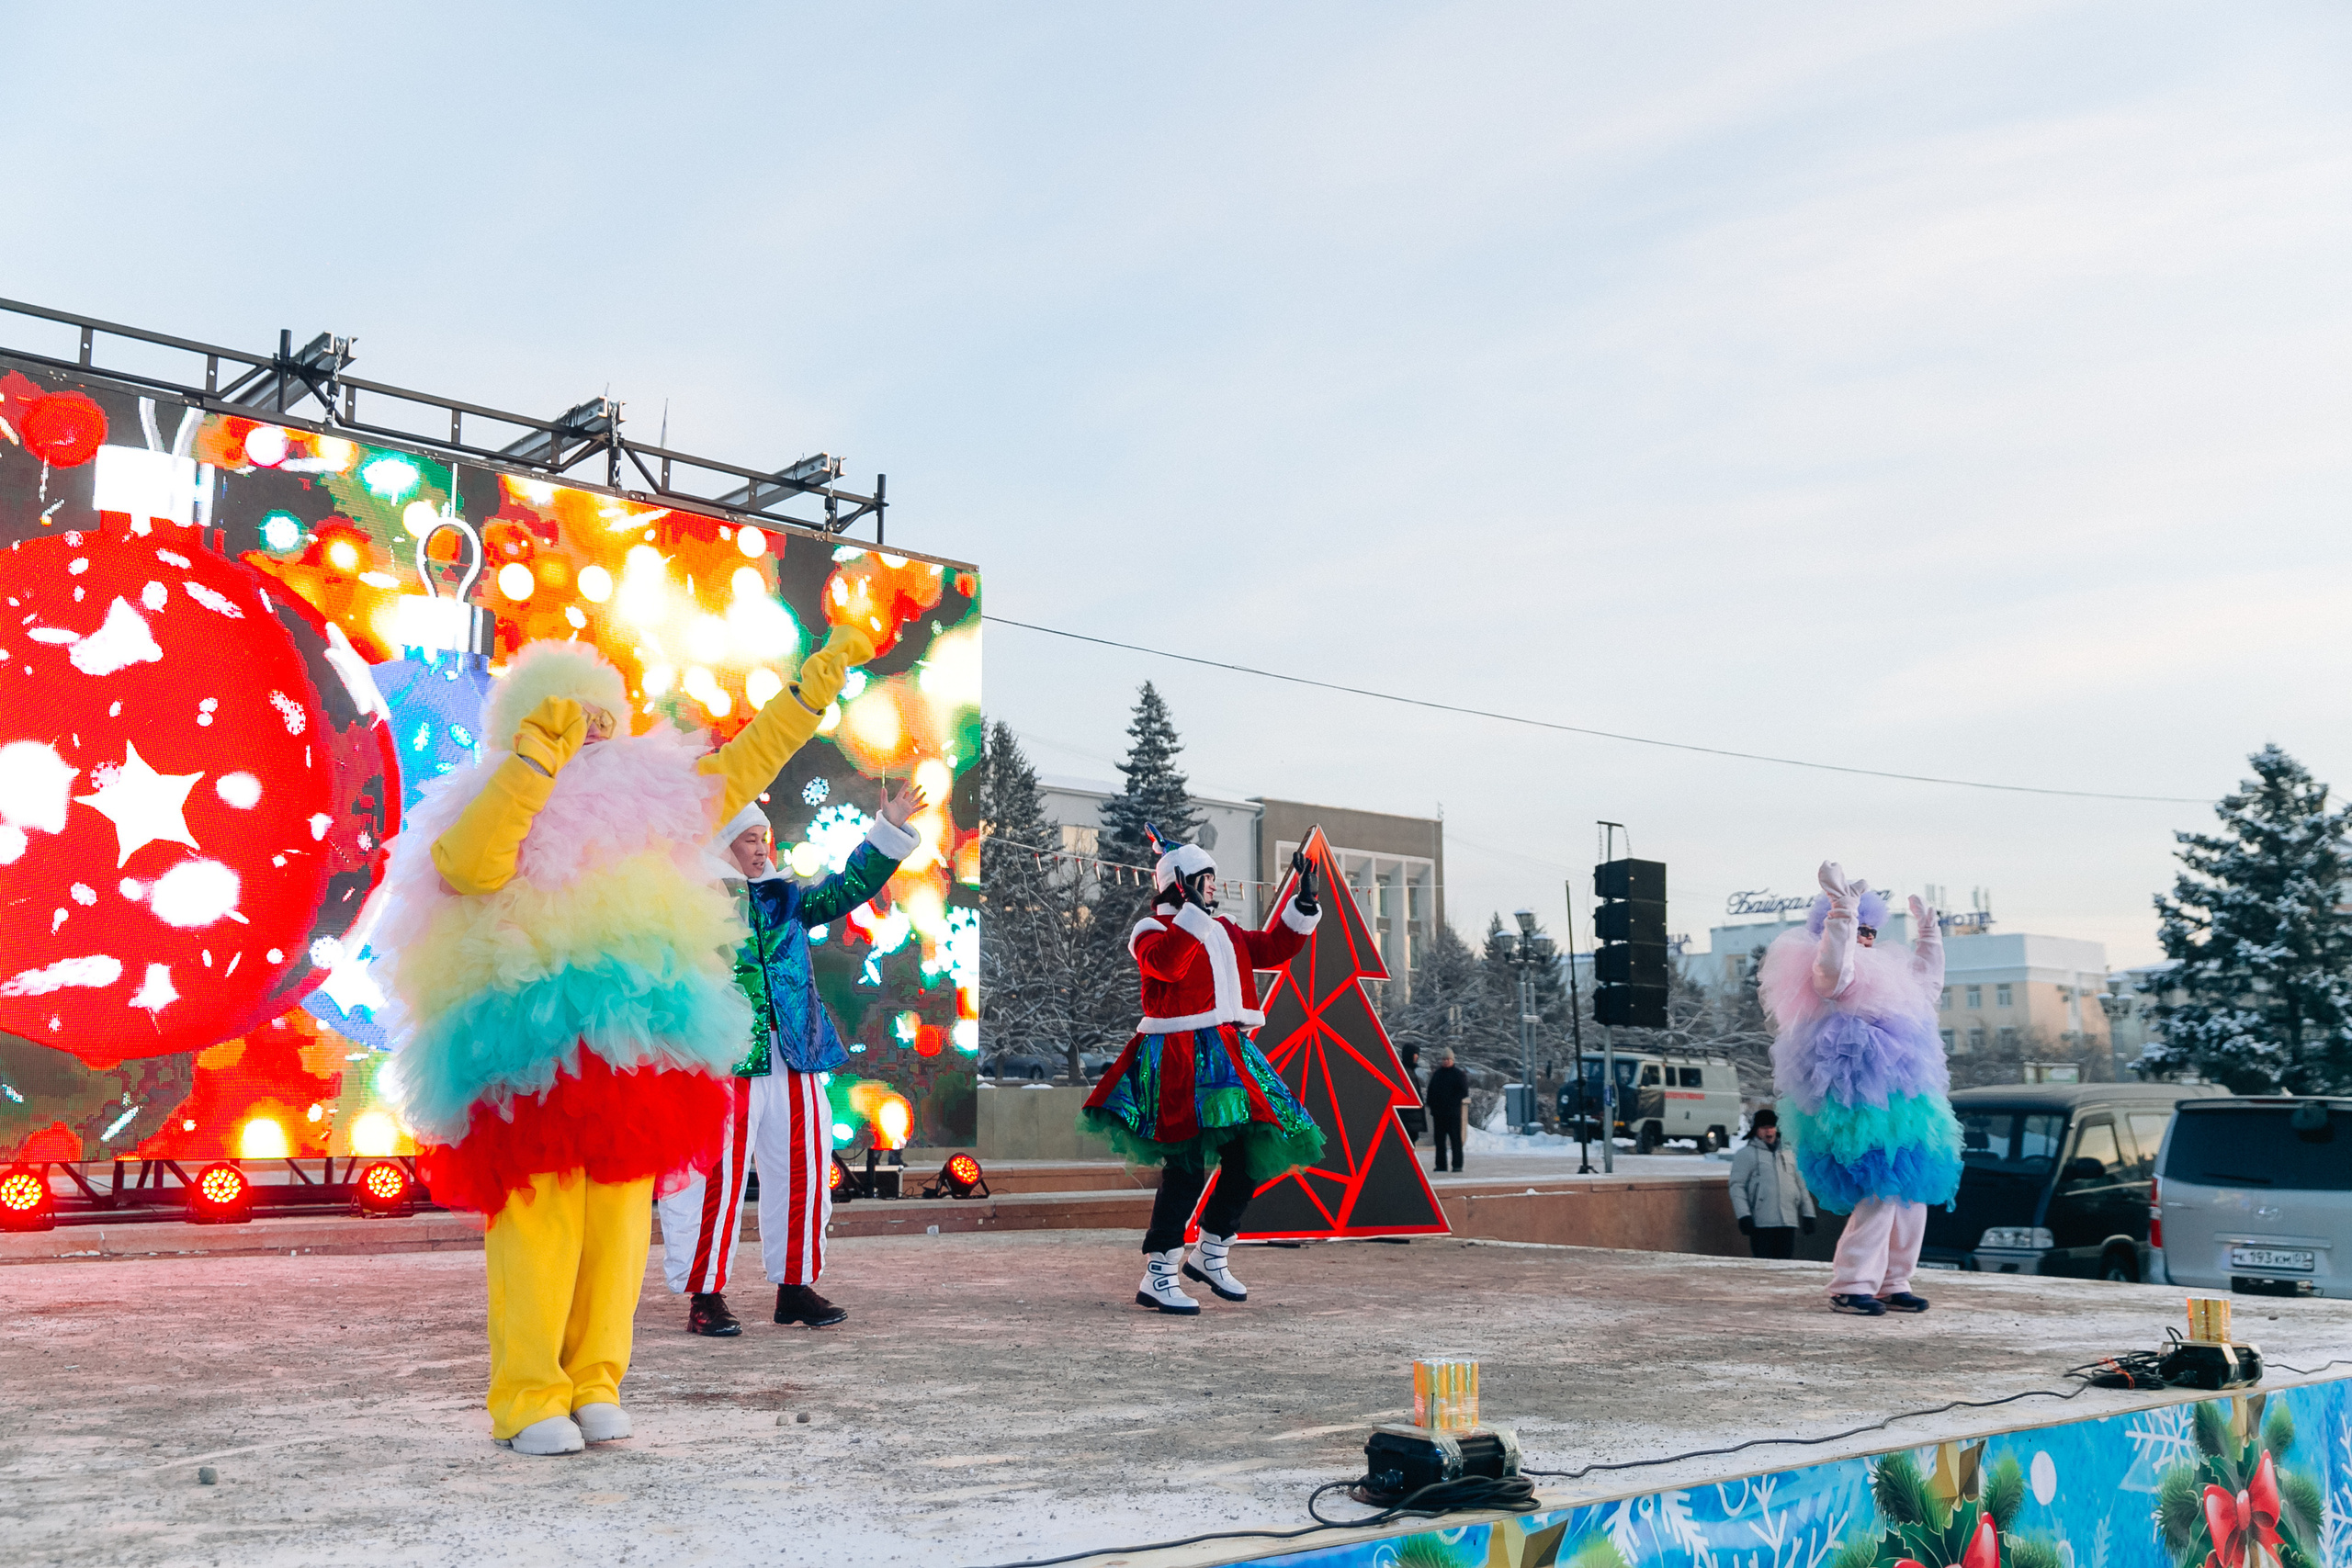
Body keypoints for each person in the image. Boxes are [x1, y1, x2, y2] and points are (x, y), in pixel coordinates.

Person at [376, 623, 874, 1455]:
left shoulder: (649, 795)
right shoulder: (494, 791)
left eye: (600, 716)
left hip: (633, 1048)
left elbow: (740, 767)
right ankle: (530, 1394)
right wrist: (533, 766)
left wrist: (808, 695)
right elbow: (470, 866)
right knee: (540, 1221)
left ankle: (596, 1380)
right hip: (532, 1049)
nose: (592, 733)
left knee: (618, 1226)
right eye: (570, 717)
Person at [657, 779, 922, 1337]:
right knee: (716, 1180)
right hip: (728, 1061)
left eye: (764, 839)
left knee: (802, 1172)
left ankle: (794, 1288)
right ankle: (705, 1297)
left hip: (796, 1054)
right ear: (723, 846)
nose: (760, 849)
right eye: (748, 839)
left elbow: (848, 888)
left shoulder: (786, 898)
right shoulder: (694, 904)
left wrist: (889, 830)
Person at [1080, 827, 1327, 1314]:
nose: (1213, 886)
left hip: (1231, 1054)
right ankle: (1159, 1272)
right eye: (1203, 878)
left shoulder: (1227, 930)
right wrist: (1191, 915)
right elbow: (1168, 967)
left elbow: (1275, 948)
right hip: (1178, 1055)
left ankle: (1212, 1250)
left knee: (1250, 1153)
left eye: (1213, 878)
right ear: (1179, 883)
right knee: (1188, 1166)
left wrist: (1303, 903)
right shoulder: (1151, 932)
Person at [1758, 863, 1962, 1317]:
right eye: (1861, 929)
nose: (1867, 937)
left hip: (1905, 1101)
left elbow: (1926, 988)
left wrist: (1930, 939)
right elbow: (1834, 974)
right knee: (1880, 1190)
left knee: (1911, 1193)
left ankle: (1894, 1279)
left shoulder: (1890, 972)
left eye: (1871, 929)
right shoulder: (1829, 968)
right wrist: (1841, 917)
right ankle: (1851, 1283)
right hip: (1857, 1101)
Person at [1726, 1107, 1815, 1259]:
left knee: (1785, 1265)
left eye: (1771, 1127)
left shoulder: (1789, 1153)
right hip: (1761, 1222)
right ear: (1756, 1130)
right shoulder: (1745, 1155)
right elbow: (1737, 1187)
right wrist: (1744, 1215)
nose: (1769, 1132)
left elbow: (1800, 1185)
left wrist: (1808, 1214)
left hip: (1788, 1221)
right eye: (1764, 1128)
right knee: (1764, 1265)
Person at [1424, 1049, 1469, 1173]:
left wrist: (1452, 1102)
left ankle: (1457, 1165)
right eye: (1444, 1059)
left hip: (1453, 1113)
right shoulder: (1437, 1074)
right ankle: (1440, 1165)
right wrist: (1432, 1105)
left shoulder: (1458, 1074)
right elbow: (1431, 1091)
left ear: (1452, 1060)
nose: (1445, 1061)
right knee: (1439, 1141)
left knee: (1455, 1140)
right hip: (1439, 1113)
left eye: (1448, 1059)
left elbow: (1463, 1091)